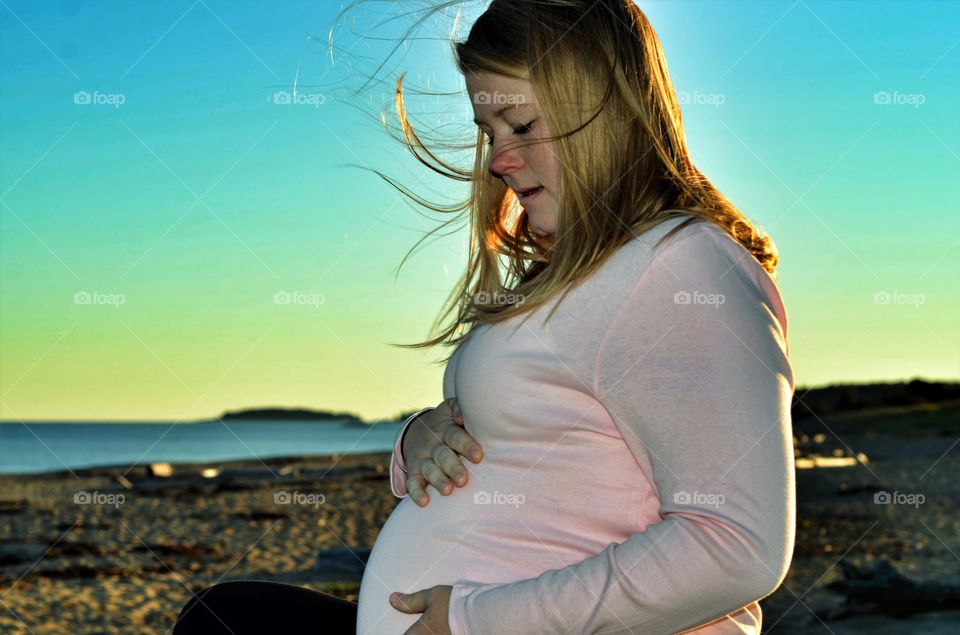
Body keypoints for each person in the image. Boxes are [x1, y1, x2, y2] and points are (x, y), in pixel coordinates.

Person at [175, 1, 795, 633]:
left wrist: (475, 620)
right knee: (226, 617)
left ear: (607, 108)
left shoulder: (681, 267)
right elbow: (549, 446)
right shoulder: (589, 270)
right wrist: (421, 439)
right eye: (490, 131)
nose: (500, 158)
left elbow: (737, 546)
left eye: (522, 125)